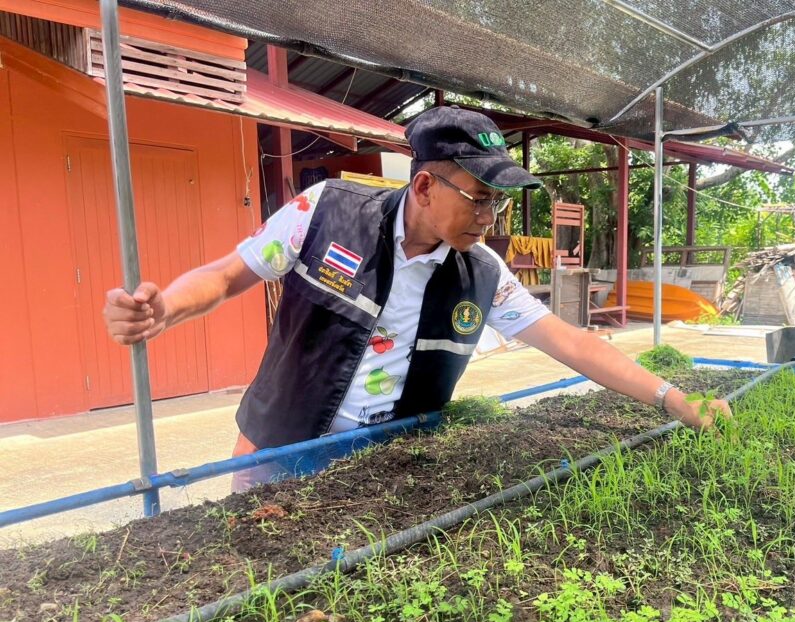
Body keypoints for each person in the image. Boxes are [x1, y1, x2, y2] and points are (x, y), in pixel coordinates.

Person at [103, 106, 731, 490]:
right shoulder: (325, 211)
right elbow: (226, 275)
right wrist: (165, 310)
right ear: (425, 186)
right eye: (479, 198)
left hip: (386, 464)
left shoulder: (482, 273)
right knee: (254, 588)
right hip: (278, 444)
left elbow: (571, 342)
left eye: (498, 202)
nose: (489, 216)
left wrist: (673, 398)